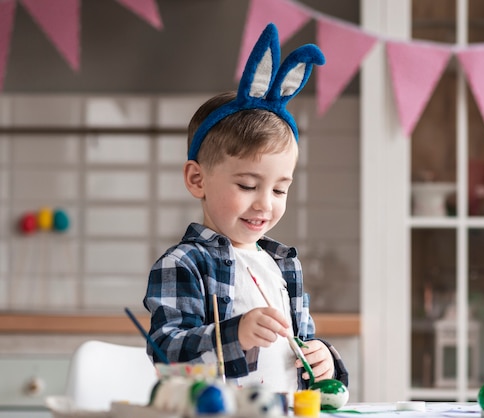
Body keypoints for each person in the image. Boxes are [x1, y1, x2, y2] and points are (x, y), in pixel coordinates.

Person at [143, 23, 348, 394]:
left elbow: (299, 350)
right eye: (247, 185)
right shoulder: (185, 264)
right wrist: (234, 334)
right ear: (197, 179)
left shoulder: (285, 265)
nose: (265, 204)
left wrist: (324, 360)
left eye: (280, 189)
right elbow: (167, 355)